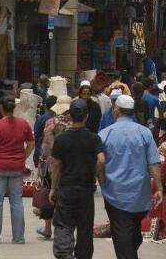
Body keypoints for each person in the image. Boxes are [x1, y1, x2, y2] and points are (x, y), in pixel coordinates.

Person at [98, 95, 163, 259]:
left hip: (114, 193)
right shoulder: (145, 133)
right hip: (139, 194)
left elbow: (98, 162)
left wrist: (100, 179)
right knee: (131, 231)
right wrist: (160, 188)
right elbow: (154, 163)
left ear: (117, 110)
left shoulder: (105, 134)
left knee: (123, 236)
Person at [50, 99, 105, 259]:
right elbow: (101, 159)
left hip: (66, 188)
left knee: (63, 224)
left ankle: (64, 254)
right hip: (86, 190)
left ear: (70, 116)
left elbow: (56, 166)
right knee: (85, 227)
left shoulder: (62, 139)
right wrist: (94, 173)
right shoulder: (94, 138)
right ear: (86, 117)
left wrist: (53, 187)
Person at [0, 95, 35, 245]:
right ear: (13, 108)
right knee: (16, 201)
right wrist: (23, 156)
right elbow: (31, 143)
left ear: (2, 108)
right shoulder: (23, 124)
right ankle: (18, 238)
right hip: (17, 168)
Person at [37, 96, 73, 240]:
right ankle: (64, 227)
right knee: (65, 196)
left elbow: (46, 147)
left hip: (51, 164)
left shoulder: (50, 122)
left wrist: (41, 164)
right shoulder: (74, 124)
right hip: (69, 166)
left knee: (48, 195)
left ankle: (47, 228)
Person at [33, 95, 58, 168]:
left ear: (46, 106)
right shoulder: (58, 120)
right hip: (54, 154)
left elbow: (36, 136)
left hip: (40, 151)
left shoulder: (40, 119)